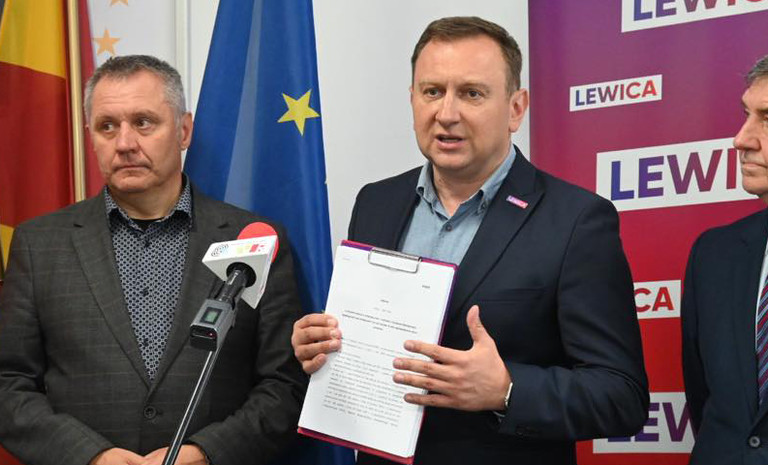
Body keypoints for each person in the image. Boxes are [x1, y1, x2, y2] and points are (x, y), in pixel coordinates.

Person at [291, 16, 649, 465]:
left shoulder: (576, 221)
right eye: (432, 91)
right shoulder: (376, 203)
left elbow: (621, 396)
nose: (446, 113)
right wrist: (323, 346)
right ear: (412, 98)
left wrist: (507, 389)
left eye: (472, 93)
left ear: (516, 108)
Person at [0, 55, 307, 465]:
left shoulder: (256, 239)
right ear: (91, 136)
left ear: (184, 131)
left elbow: (284, 384)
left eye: (143, 122)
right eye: (107, 126)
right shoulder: (39, 245)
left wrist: (206, 453)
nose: (125, 143)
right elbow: (8, 384)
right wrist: (90, 456)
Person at [682, 55, 768, 464]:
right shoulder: (714, 254)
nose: (741, 139)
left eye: (767, 119)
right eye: (746, 115)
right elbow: (704, 402)